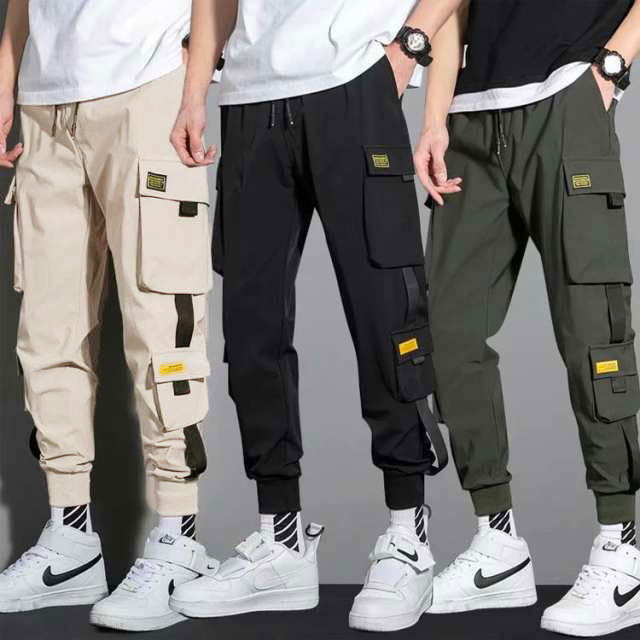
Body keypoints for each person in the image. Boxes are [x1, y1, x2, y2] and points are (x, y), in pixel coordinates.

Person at [168, 0, 462, 632]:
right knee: (251, 331)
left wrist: (409, 46)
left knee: (386, 317)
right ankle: (281, 542)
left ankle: (408, 534)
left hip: (352, 82)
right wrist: (194, 96)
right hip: (249, 97)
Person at [416, 0, 640, 635]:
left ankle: (623, 548)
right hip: (471, 116)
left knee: (592, 331)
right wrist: (434, 119)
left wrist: (611, 67)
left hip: (566, 99)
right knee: (447, 332)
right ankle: (498, 544)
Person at [0, 0, 218, 631]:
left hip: (146, 84)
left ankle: (179, 538)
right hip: (45, 99)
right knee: (48, 331)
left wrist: (195, 88)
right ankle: (71, 539)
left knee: (161, 324)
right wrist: (7, 79)